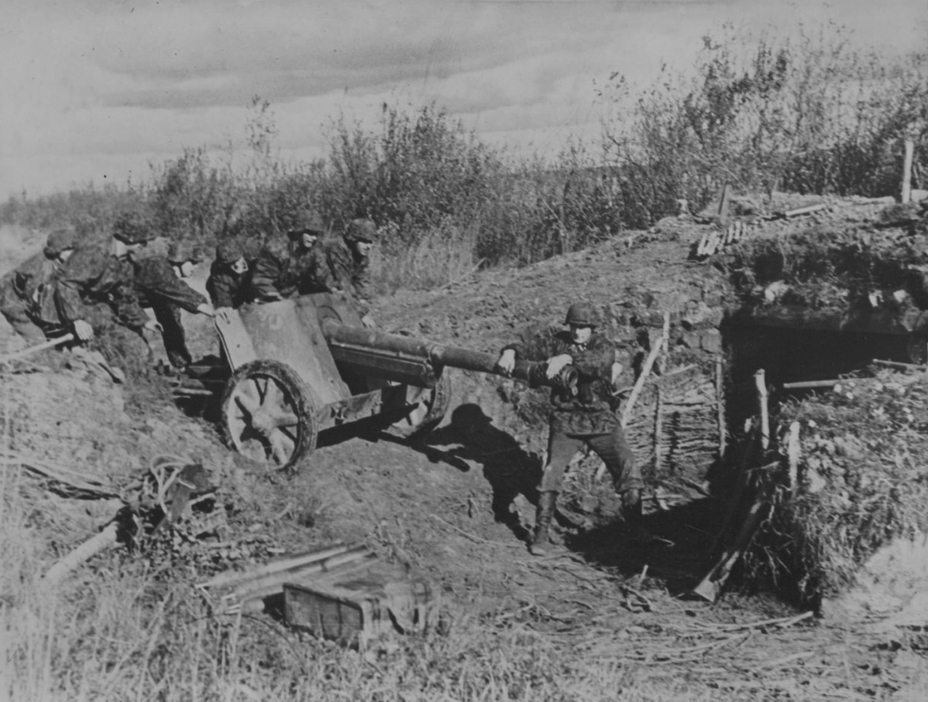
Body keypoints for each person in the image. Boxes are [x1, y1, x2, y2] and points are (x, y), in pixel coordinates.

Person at [495, 301, 649, 556]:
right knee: (551, 472)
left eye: (584, 328)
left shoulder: (603, 346)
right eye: (575, 327)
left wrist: (567, 357)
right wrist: (510, 351)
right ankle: (541, 536)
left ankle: (637, 531)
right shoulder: (555, 341)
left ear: (592, 328)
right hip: (566, 419)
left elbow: (598, 363)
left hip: (600, 419)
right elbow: (528, 348)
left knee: (628, 466)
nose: (578, 332)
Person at [54, 211, 161, 345]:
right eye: (142, 240)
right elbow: (66, 284)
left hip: (94, 308)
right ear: (130, 237)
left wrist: (145, 321)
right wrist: (77, 319)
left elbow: (124, 298)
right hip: (63, 309)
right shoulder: (95, 252)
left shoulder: (126, 263)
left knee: (136, 346)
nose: (145, 245)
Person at [133, 240, 214, 369]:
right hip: (113, 305)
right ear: (179, 260)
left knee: (171, 319)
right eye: (192, 262)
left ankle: (181, 365)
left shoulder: (167, 281)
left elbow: (172, 324)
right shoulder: (158, 269)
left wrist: (182, 365)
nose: (196, 267)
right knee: (137, 354)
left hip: (130, 306)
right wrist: (213, 313)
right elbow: (182, 292)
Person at [0, 226, 78, 343]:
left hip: (26, 296)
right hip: (10, 300)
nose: (74, 252)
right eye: (69, 249)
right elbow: (40, 307)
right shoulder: (42, 273)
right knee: (39, 341)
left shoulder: (62, 263)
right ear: (57, 250)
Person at [250, 209, 328, 303]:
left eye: (316, 234)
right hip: (265, 299)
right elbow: (261, 280)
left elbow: (320, 277)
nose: (314, 238)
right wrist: (272, 295)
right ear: (299, 231)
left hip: (293, 299)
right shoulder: (277, 248)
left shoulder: (314, 250)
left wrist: (332, 288)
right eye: (310, 233)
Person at [318, 217, 377, 327]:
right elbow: (343, 287)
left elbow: (362, 283)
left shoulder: (361, 255)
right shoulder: (337, 249)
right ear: (353, 239)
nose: (368, 246)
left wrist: (364, 304)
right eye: (364, 241)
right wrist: (361, 313)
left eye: (370, 242)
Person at [206, 239, 251, 317]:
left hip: (248, 292)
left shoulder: (253, 263)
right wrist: (227, 310)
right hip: (226, 293)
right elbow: (223, 298)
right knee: (226, 313)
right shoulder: (219, 274)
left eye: (238, 260)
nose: (236, 265)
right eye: (231, 263)